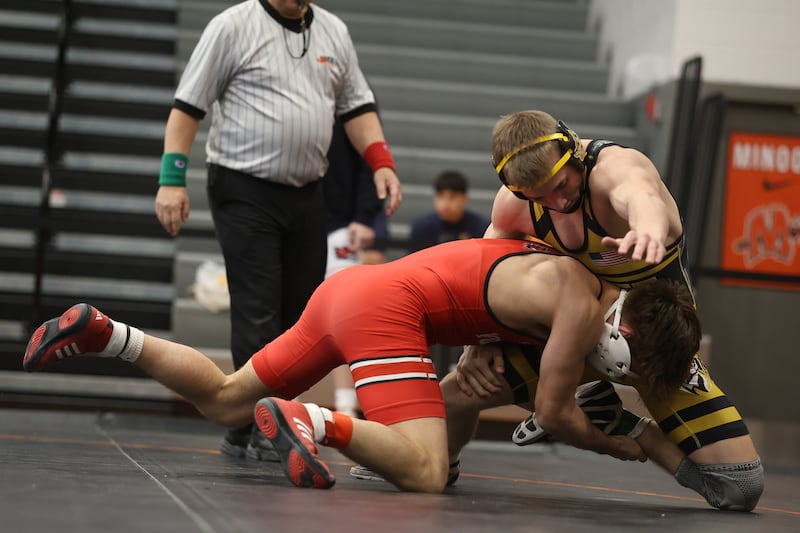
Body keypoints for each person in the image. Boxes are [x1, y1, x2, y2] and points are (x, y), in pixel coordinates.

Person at [22, 237, 700, 495]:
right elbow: (552, 411)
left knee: (228, 399)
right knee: (428, 472)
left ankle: (111, 334)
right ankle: (312, 418)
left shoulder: (559, 264)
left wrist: (474, 352)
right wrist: (621, 441)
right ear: (629, 327)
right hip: (389, 308)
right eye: (631, 366)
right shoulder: (580, 305)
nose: (618, 372)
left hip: (352, 290)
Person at [454, 109, 761, 508]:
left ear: (573, 150)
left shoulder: (616, 169)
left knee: (741, 487)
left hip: (656, 351)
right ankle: (609, 414)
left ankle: (598, 409)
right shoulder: (514, 205)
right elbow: (486, 274)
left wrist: (648, 230)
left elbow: (642, 196)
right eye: (537, 196)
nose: (556, 201)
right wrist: (480, 340)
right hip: (577, 336)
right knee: (459, 392)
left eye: (561, 184)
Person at [153, 0, 402, 456]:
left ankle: (251, 422)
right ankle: (265, 425)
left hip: (307, 192)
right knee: (258, 310)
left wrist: (381, 162)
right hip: (243, 187)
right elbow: (188, 107)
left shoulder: (332, 31)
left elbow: (358, 106)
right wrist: (172, 180)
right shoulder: (232, 26)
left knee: (300, 316)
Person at [322, 116, 385, 417]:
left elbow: (370, 156)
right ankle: (282, 399)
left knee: (344, 316)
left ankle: (347, 405)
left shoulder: (351, 96)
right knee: (288, 311)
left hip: (340, 224)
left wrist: (364, 216)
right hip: (291, 218)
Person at [408, 170, 490, 253]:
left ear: (464, 199)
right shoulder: (421, 227)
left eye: (452, 197)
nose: (445, 204)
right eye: (440, 196)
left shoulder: (481, 228)